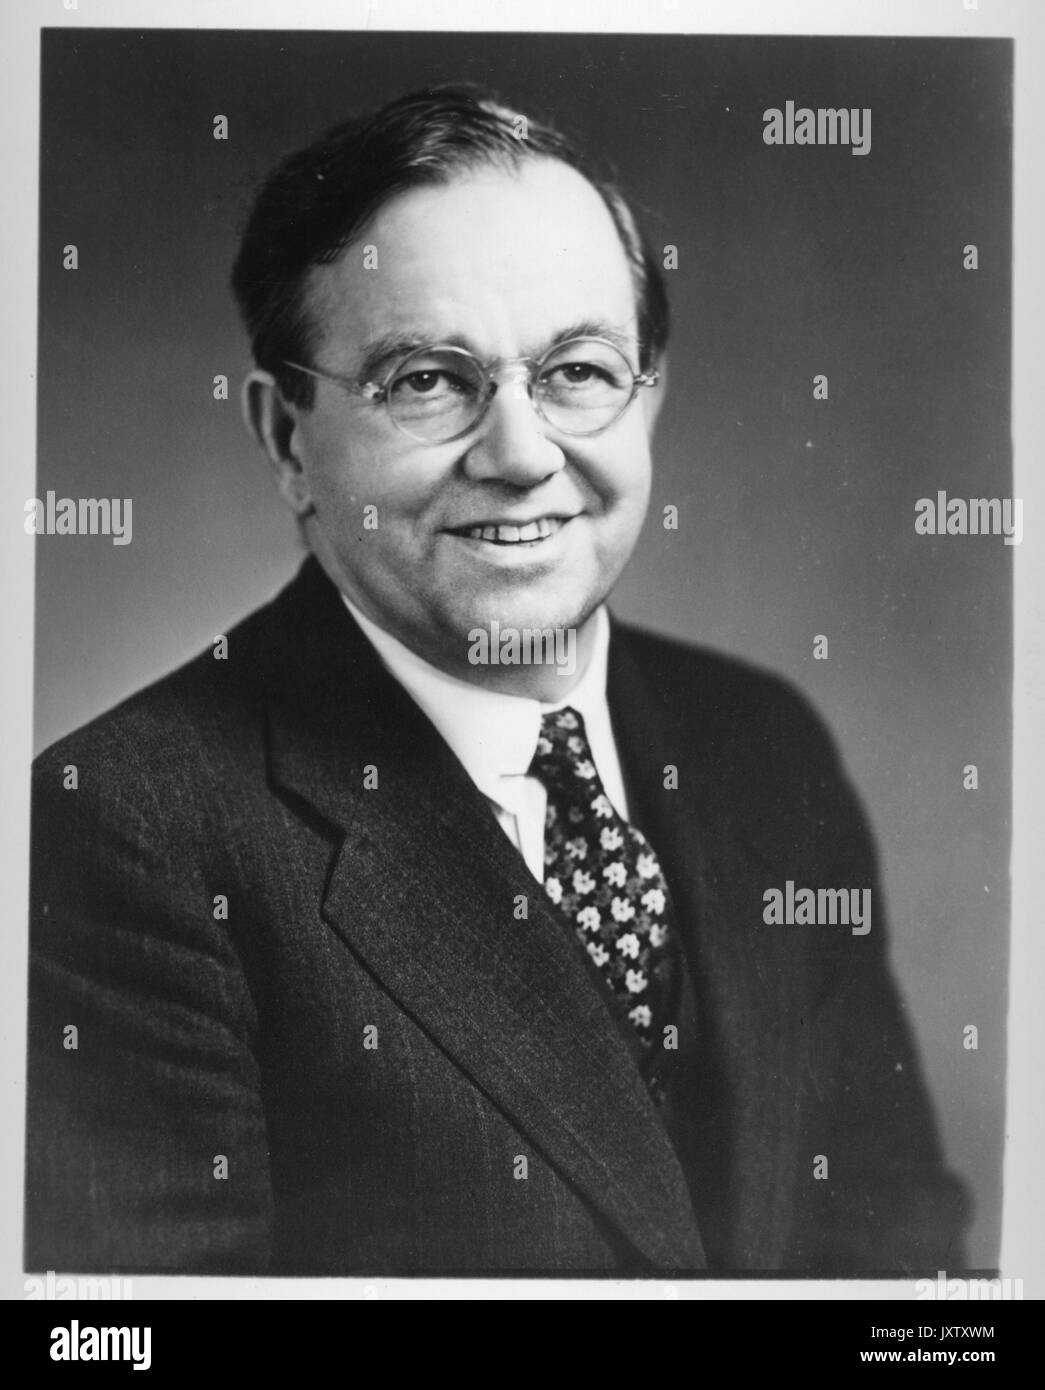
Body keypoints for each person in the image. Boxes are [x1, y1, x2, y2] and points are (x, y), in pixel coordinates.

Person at [25, 86, 968, 1275]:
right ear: (284, 437)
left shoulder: (761, 741)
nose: (522, 454)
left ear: (649, 397)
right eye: (426, 379)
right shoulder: (120, 831)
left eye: (578, 370)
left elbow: (902, 1278)